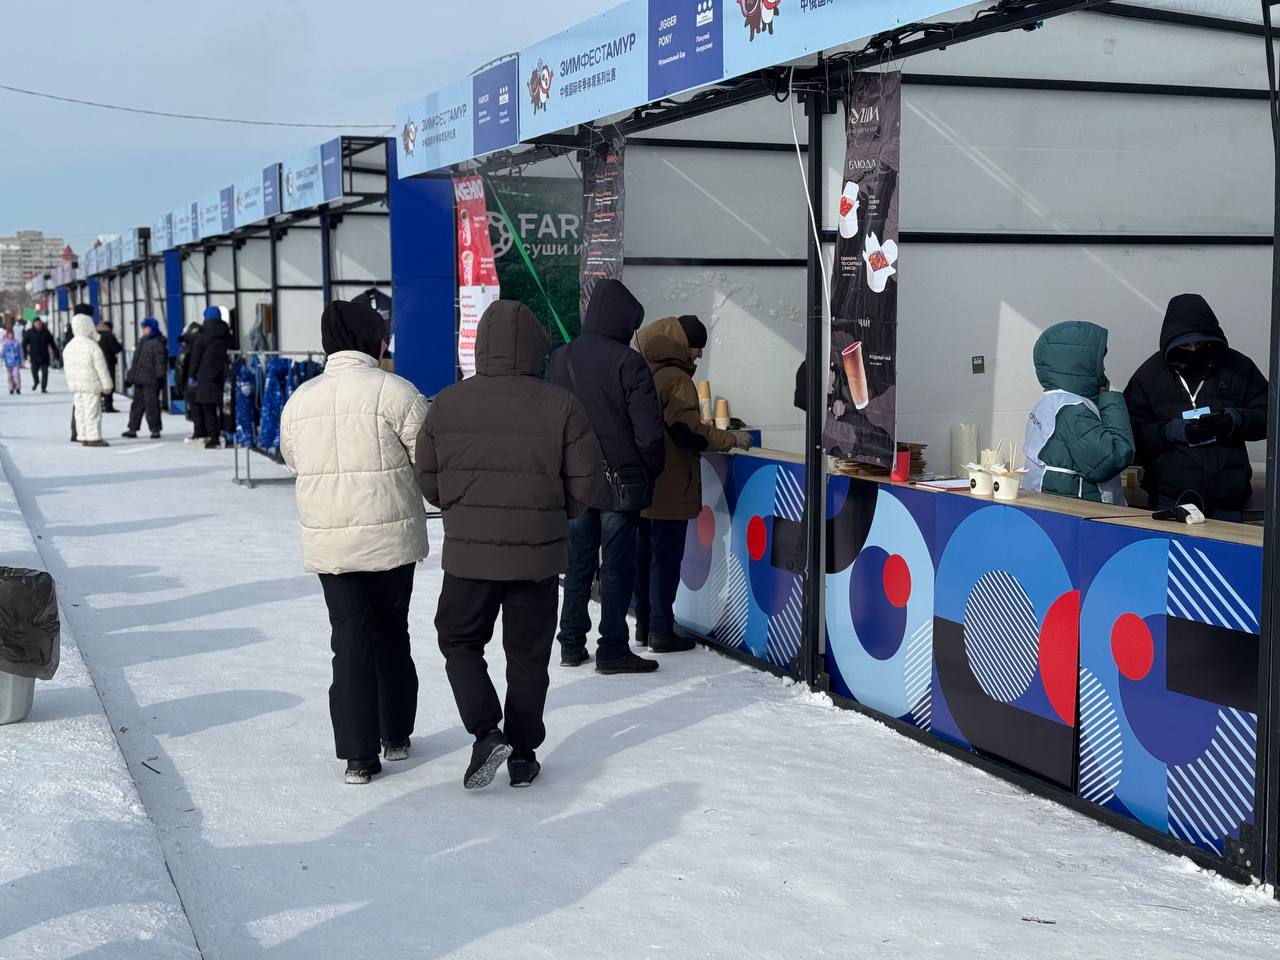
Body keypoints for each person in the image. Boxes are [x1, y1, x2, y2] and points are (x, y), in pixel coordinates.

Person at [417, 300, 603, 789]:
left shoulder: (448, 402)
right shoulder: (561, 404)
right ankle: (522, 753)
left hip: (468, 556)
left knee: (458, 640)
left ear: (481, 347)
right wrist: (549, 514)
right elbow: (587, 482)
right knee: (528, 654)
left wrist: (462, 507)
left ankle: (485, 731)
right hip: (537, 555)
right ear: (536, 348)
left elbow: (428, 481)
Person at [280, 301, 429, 785]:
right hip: (391, 538)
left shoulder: (300, 400)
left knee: (348, 639)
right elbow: (425, 459)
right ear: (374, 341)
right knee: (392, 631)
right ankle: (396, 734)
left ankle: (358, 757)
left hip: (332, 542)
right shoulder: (397, 393)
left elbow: (293, 460)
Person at [547, 279, 666, 674]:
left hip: (575, 480)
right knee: (616, 567)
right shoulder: (629, 363)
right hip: (620, 483)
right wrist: (650, 469)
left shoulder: (559, 358)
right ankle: (613, 647)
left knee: (577, 563)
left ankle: (570, 643)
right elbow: (649, 432)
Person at [634, 316, 753, 652]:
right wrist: (728, 439)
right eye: (697, 346)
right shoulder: (676, 379)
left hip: (644, 482)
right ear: (682, 344)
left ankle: (644, 626)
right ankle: (661, 630)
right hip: (671, 482)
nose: (699, 354)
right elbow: (686, 431)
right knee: (668, 558)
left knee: (646, 558)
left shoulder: (646, 369)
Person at [1124, 294, 1268, 520]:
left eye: (1201, 343)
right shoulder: (1150, 375)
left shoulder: (1238, 368)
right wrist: (1171, 432)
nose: (1193, 350)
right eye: (1185, 345)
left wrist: (1234, 420)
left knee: (1224, 555)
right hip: (1170, 497)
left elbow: (1269, 415)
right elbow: (1130, 435)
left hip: (1227, 500)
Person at [1023, 320, 1135, 504]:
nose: (1103, 369)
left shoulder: (1051, 401)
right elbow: (1112, 459)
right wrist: (1109, 399)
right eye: (1098, 362)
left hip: (1050, 503)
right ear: (1079, 363)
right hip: (1083, 511)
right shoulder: (1073, 410)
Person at [63, 306, 114, 447]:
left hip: (76, 385)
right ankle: (93, 437)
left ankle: (82, 435)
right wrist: (107, 385)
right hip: (91, 384)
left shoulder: (69, 346)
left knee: (80, 411)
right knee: (93, 411)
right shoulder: (92, 346)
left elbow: (67, 368)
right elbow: (101, 368)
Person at [188, 306, 232, 449]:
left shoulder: (201, 335)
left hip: (205, 377)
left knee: (209, 409)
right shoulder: (228, 334)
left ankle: (214, 438)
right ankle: (229, 437)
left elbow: (195, 358)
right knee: (226, 407)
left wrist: (191, 375)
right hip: (224, 376)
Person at [122, 318, 168, 439]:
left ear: (152, 328)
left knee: (152, 405)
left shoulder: (157, 342)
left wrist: (160, 376)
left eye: (146, 327)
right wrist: (130, 378)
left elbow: (160, 361)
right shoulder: (142, 341)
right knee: (136, 405)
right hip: (139, 379)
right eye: (143, 327)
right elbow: (135, 362)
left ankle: (155, 429)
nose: (143, 330)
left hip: (151, 380)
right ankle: (132, 428)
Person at [22, 318, 58, 393]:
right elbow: (24, 344)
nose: (38, 324)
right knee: (34, 372)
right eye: (36, 323)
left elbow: (52, 344)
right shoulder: (30, 332)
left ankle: (43, 388)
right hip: (34, 356)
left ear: (41, 323)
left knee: (45, 373)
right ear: (34, 324)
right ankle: (36, 382)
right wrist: (25, 355)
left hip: (44, 356)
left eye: (39, 323)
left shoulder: (46, 332)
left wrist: (56, 354)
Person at [96, 320, 123, 412]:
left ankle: (99, 405)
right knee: (109, 384)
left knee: (99, 383)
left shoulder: (95, 335)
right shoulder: (109, 335)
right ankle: (108, 406)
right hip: (108, 363)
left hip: (96, 364)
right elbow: (117, 348)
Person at [2, 328, 22, 395]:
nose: (10, 335)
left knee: (16, 375)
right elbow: (3, 352)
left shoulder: (16, 342)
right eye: (9, 334)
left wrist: (22, 359)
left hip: (16, 361)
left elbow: (20, 352)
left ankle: (18, 387)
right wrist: (2, 357)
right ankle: (11, 387)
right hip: (8, 362)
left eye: (11, 334)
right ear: (7, 335)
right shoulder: (5, 343)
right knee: (10, 376)